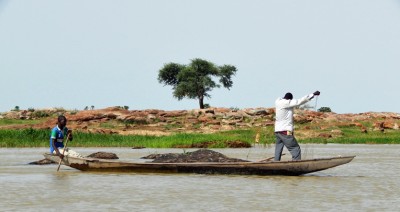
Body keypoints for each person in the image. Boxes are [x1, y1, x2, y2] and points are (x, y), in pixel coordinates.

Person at [274, 91, 320, 161]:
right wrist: (312, 94)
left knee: (278, 149)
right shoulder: (286, 103)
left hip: (277, 131)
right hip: (285, 130)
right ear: (289, 99)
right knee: (295, 148)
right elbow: (300, 101)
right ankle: (296, 165)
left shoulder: (278, 102)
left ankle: (275, 163)